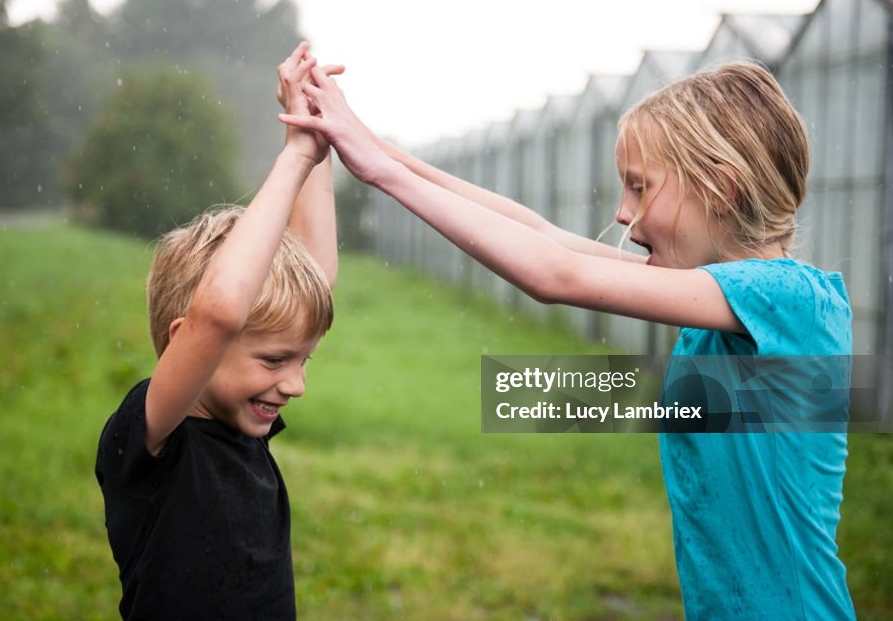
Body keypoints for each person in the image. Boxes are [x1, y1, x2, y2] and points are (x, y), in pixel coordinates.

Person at [280, 61, 855, 619]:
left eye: (640, 187)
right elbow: (542, 234)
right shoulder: (720, 302)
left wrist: (380, 173)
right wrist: (372, 149)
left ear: (719, 189)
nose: (622, 213)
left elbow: (555, 273)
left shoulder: (792, 300)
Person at [95, 42, 338, 621]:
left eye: (302, 361)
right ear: (187, 339)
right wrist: (295, 158)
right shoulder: (152, 440)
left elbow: (316, 281)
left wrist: (315, 136)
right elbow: (221, 312)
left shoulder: (240, 422)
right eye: (276, 360)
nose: (296, 385)